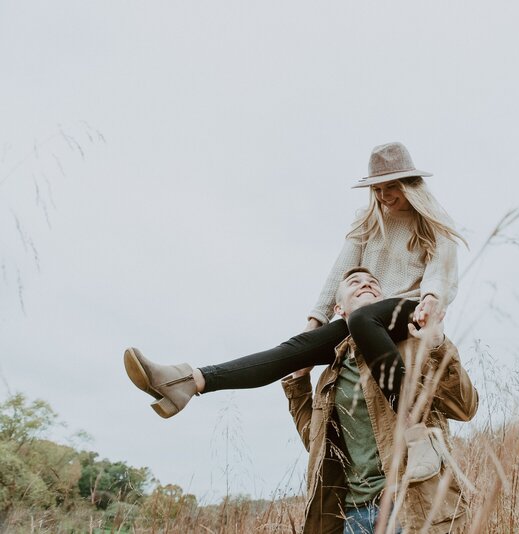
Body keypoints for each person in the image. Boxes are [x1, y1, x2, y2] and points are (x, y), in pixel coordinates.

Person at [124, 142, 467, 418]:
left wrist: (432, 299)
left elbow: (441, 266)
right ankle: (187, 381)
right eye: (377, 188)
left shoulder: (432, 223)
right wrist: (315, 320)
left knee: (363, 316)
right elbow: (339, 271)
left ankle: (408, 414)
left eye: (391, 187)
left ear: (410, 185)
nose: (383, 195)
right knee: (294, 349)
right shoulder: (367, 223)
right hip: (366, 317)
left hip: (407, 308)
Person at [283, 267, 478, 534]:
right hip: (352, 516)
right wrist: (298, 382)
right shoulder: (331, 375)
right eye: (355, 282)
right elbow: (316, 444)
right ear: (339, 309)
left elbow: (465, 407)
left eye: (374, 283)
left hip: (411, 507)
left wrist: (437, 344)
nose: (366, 284)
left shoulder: (413, 346)